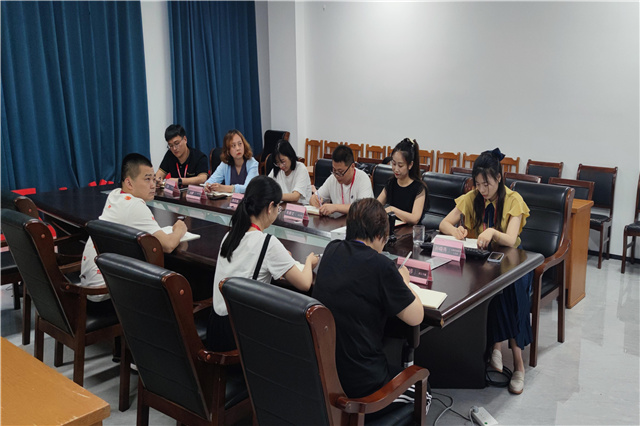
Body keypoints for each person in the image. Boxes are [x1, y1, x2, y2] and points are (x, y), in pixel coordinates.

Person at [312, 198, 428, 418]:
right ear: (378, 236)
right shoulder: (381, 266)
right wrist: (404, 281)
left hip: (325, 377)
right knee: (424, 391)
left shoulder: (332, 250)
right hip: (364, 387)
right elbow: (416, 316)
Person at [438, 148, 532, 395]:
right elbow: (444, 223)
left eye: (486, 184)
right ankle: (492, 348)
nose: (482, 190)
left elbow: (510, 239)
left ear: (499, 178)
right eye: (478, 184)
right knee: (473, 286)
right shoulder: (472, 197)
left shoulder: (513, 200)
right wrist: (455, 231)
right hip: (483, 262)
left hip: (512, 263)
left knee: (511, 292)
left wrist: (492, 232)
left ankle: (518, 364)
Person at [207, 175, 319, 351]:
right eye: (278, 208)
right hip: (241, 336)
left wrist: (279, 259)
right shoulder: (268, 243)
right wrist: (309, 261)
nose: (277, 212)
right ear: (269, 207)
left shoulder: (230, 235)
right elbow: (305, 284)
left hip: (216, 328)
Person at [81, 153, 188, 302]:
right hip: (107, 292)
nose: (153, 185)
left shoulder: (115, 195)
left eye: (153, 179)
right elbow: (168, 245)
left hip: (89, 288)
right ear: (129, 183)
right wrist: (180, 229)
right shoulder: (135, 205)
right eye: (147, 179)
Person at [309, 145, 373, 215]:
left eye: (340, 172)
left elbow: (362, 208)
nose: (336, 175)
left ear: (352, 166)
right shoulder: (332, 178)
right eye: (334, 170)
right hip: (338, 221)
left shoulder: (363, 179)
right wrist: (314, 200)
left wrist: (335, 207)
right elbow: (316, 197)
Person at [377, 138, 428, 225]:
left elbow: (415, 218)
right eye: (393, 164)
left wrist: (393, 210)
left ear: (410, 165)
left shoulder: (419, 188)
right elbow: (376, 205)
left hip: (409, 230)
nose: (396, 169)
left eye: (400, 165)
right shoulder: (391, 182)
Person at [204, 129, 258, 194]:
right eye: (233, 146)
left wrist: (223, 188)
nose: (238, 148)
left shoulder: (252, 163)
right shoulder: (225, 164)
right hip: (231, 200)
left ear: (244, 145)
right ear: (228, 150)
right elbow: (210, 181)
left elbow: (247, 188)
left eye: (240, 144)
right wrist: (207, 186)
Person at [267, 139, 312, 204]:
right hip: (282, 207)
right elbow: (266, 187)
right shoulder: (276, 170)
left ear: (290, 156)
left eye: (283, 161)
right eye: (277, 163)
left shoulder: (301, 169)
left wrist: (275, 196)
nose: (280, 166)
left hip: (301, 207)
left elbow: (295, 196)